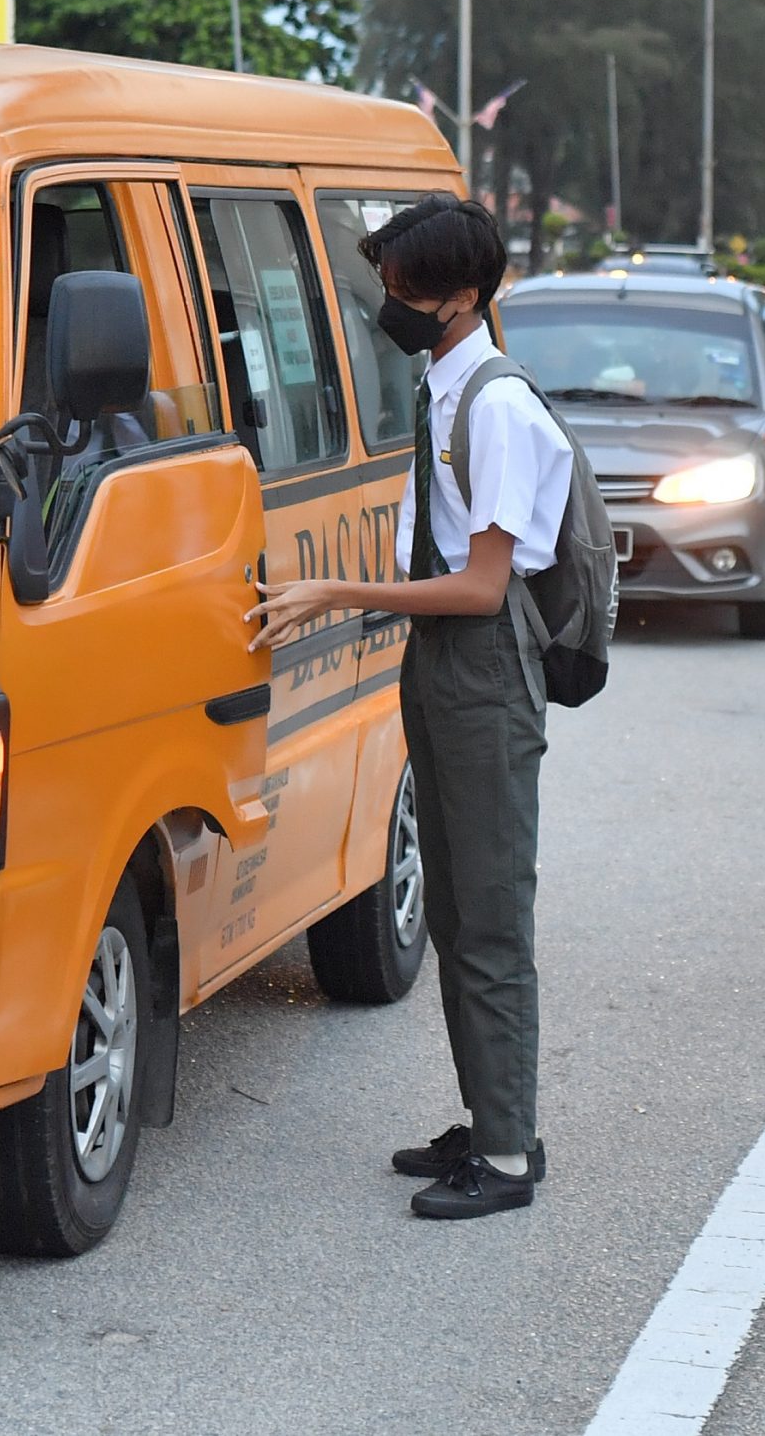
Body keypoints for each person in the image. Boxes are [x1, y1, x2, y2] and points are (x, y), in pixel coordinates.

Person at [244, 193, 571, 1221]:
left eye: (401, 287)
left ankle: (510, 1157)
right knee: (450, 907)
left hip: (479, 663)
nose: (386, 302)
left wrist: (335, 593)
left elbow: (480, 586)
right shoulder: (444, 383)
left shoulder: (497, 408)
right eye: (383, 282)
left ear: (462, 296)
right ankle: (491, 1121)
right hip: (439, 663)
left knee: (487, 916)